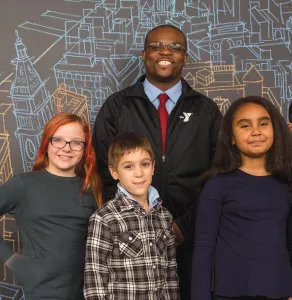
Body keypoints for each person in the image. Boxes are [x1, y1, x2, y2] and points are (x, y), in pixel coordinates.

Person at [92, 24, 222, 299]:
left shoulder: (206, 110)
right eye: (156, 45)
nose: (165, 51)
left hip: (192, 238)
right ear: (143, 54)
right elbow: (105, 171)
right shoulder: (117, 107)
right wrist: (135, 223)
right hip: (129, 241)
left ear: (185, 57)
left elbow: (218, 174)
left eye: (175, 47)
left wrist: (185, 225)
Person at [191, 96, 292, 300]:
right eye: (245, 126)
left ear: (275, 130)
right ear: (231, 137)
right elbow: (204, 249)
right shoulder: (217, 186)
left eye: (263, 124)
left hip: (279, 293)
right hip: (228, 294)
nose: (256, 131)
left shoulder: (288, 185)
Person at [0, 112, 102, 300]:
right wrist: (9, 257)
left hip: (86, 294)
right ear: (47, 143)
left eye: (76, 143)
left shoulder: (91, 190)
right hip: (41, 294)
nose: (66, 148)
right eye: (58, 140)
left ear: (85, 149)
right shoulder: (23, 185)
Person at [84, 132, 179, 299]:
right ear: (114, 172)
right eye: (128, 166)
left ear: (153, 167)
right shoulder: (104, 218)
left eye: (145, 164)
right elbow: (95, 278)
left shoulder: (164, 216)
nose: (139, 173)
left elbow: (170, 273)